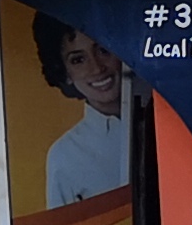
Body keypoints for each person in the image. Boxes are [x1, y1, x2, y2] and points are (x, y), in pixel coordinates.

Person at [29, 12, 132, 210]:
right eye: (78, 60)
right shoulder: (65, 155)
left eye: (103, 50)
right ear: (64, 72)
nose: (96, 68)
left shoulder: (168, 126)